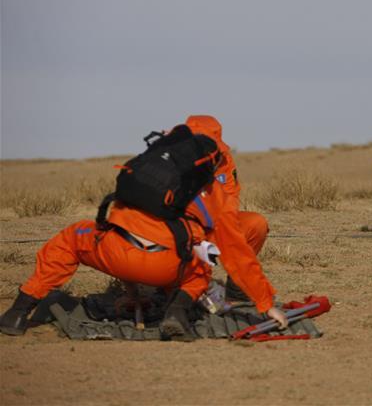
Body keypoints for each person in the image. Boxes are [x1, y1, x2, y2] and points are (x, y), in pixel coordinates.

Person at [0, 115, 287, 340]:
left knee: (70, 238)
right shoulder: (211, 191)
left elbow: (119, 225)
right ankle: (176, 312)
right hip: (166, 264)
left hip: (115, 254)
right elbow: (234, 249)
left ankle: (18, 312)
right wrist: (265, 303)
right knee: (200, 267)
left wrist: (131, 289)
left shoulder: (147, 170)